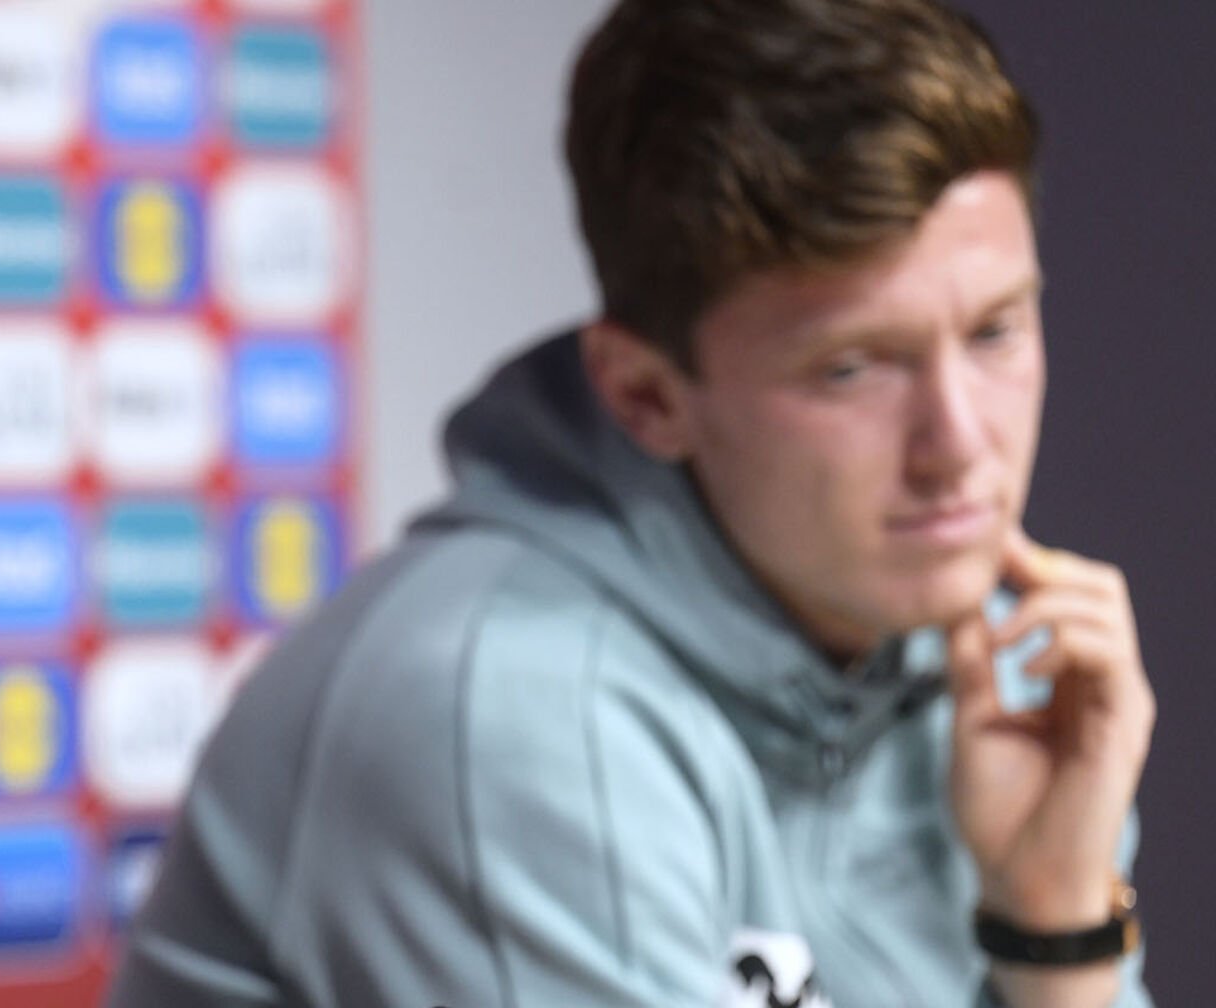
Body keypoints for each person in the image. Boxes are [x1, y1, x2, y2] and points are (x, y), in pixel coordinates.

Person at [110, 1, 1154, 1006]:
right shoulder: (508, 709)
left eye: (995, 332)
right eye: (852, 369)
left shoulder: (990, 671)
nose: (959, 444)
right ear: (646, 396)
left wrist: (1054, 930)